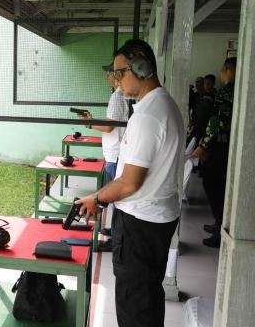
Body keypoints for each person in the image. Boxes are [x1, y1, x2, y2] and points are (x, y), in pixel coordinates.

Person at [75, 39, 184, 327]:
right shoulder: (163, 105)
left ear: (142, 67)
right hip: (155, 218)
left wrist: (96, 199)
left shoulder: (148, 116)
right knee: (146, 296)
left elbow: (129, 182)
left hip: (140, 225)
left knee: (134, 301)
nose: (116, 79)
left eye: (121, 72)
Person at [80, 60, 129, 251]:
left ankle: (116, 240)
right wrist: (92, 121)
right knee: (117, 201)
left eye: (108, 73)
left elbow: (109, 126)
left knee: (117, 199)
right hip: (116, 153)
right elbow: (112, 122)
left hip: (115, 155)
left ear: (115, 76)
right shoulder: (119, 95)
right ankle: (115, 233)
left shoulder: (117, 97)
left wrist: (89, 123)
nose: (107, 77)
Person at [190, 57, 237, 247]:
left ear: (226, 70)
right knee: (221, 186)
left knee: (213, 184)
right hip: (229, 145)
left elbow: (217, 121)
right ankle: (220, 223)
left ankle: (220, 227)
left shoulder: (226, 92)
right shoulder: (239, 90)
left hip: (221, 146)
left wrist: (204, 145)